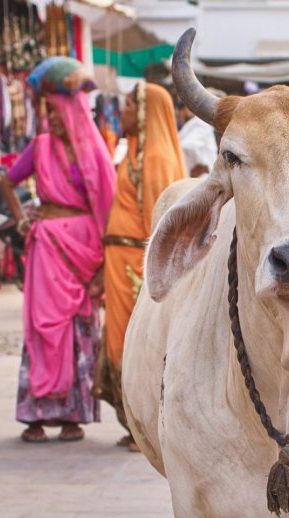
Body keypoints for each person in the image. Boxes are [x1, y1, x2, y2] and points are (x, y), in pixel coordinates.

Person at [0, 86, 116, 444]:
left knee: (79, 326)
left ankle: (72, 416)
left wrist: (103, 266)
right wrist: (22, 220)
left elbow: (108, 205)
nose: (50, 117)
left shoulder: (93, 151)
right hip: (47, 247)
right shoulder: (41, 146)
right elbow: (7, 183)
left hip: (83, 247)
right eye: (47, 111)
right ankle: (34, 416)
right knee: (43, 326)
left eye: (56, 110)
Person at [97, 82, 185, 449]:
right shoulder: (134, 153)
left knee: (141, 342)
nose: (125, 111)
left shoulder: (156, 161)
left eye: (132, 105)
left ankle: (146, 424)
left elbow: (159, 224)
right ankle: (133, 422)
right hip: (120, 261)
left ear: (148, 113)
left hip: (138, 263)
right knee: (119, 340)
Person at [176, 96, 217, 178]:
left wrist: (194, 166)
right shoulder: (192, 124)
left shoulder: (201, 123)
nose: (180, 113)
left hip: (201, 180)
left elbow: (188, 146)